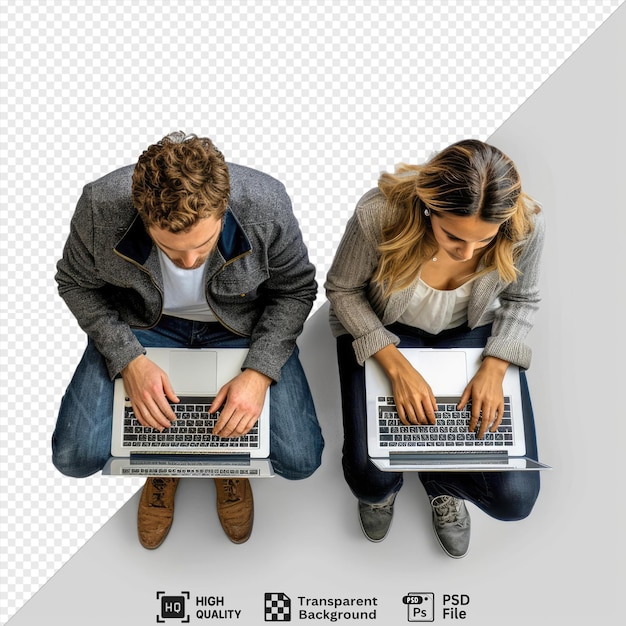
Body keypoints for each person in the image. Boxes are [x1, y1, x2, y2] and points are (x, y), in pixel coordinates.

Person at [53, 131, 324, 548]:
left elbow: (296, 290)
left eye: (203, 245)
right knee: (74, 458)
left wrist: (259, 372)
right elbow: (75, 283)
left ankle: (224, 461)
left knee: (300, 462)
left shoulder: (267, 203)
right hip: (143, 327)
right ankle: (165, 462)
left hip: (239, 328)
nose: (190, 262)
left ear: (223, 209)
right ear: (144, 217)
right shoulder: (98, 206)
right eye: (171, 250)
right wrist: (129, 358)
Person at [325, 139, 544, 558]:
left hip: (470, 331)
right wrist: (395, 365)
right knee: (370, 479)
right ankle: (391, 487)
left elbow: (522, 300)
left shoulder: (528, 224)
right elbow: (343, 290)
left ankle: (439, 481)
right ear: (429, 208)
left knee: (515, 497)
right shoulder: (378, 214)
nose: (468, 253)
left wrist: (495, 367)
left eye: (483, 241)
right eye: (453, 237)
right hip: (386, 327)